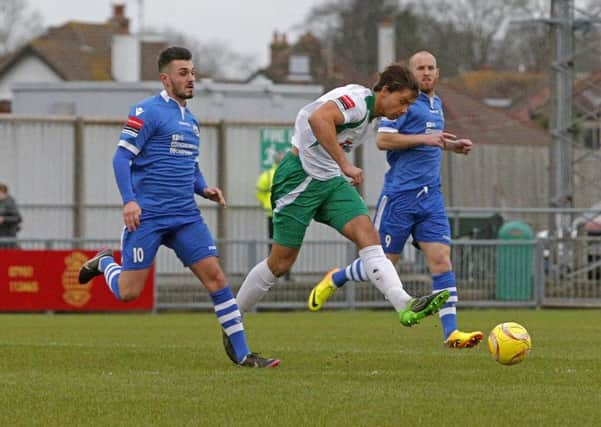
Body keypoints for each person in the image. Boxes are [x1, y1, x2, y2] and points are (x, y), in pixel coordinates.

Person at [225, 63, 450, 362]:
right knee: (280, 264)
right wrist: (345, 164)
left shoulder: (370, 114)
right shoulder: (357, 102)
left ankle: (405, 303)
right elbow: (319, 118)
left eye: (410, 104)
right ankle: (232, 322)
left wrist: (338, 168)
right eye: (403, 101)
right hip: (299, 179)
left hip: (330, 181)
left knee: (369, 238)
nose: (405, 110)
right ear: (385, 90)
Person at [77, 46, 279, 368]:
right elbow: (121, 157)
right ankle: (105, 264)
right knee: (129, 293)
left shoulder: (192, 121)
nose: (191, 79)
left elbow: (189, 164)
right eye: (183, 73)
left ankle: (243, 354)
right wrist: (129, 201)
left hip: (185, 215)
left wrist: (204, 188)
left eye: (193, 73)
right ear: (165, 78)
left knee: (216, 278)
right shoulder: (147, 111)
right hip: (149, 215)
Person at [308, 51, 483, 349]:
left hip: (431, 196)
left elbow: (429, 141)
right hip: (400, 196)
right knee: (384, 263)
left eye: (431, 68)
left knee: (441, 260)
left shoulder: (436, 104)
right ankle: (337, 277)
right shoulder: (403, 107)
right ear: (411, 76)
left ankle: (451, 333)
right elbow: (383, 140)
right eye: (420, 69)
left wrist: (451, 146)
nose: (426, 73)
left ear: (438, 73)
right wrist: (426, 139)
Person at [0, 182, 22, 248]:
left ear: (4, 193)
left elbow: (18, 218)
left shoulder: (10, 203)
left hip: (8, 237)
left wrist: (3, 219)